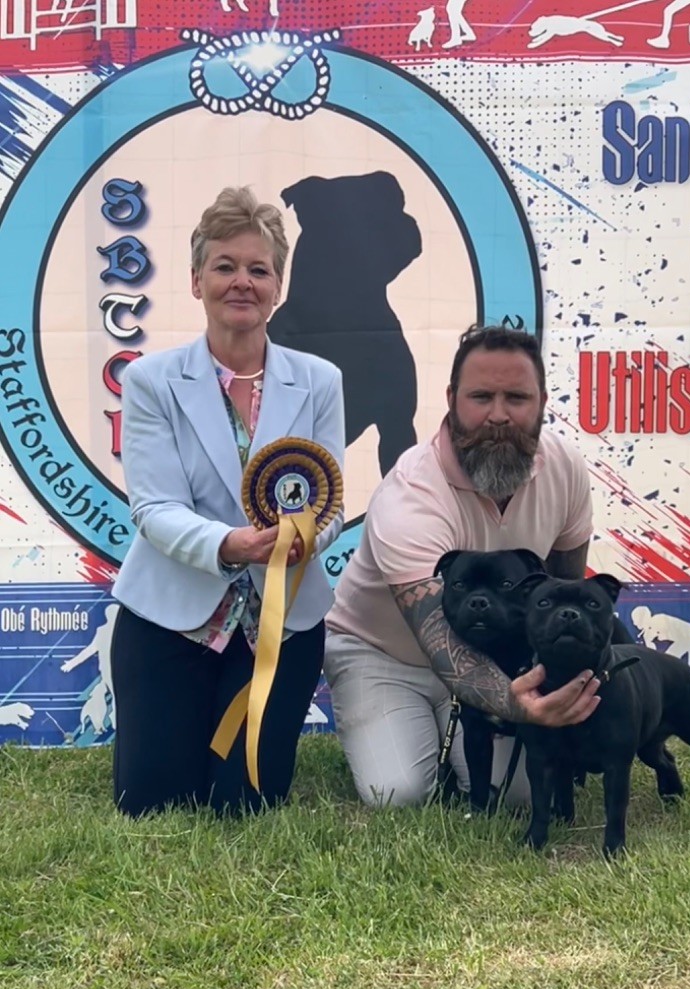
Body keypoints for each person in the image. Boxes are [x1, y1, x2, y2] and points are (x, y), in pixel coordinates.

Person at [110, 186, 345, 817]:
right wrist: (231, 545)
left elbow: (331, 503)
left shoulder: (321, 381)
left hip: (280, 624)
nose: (242, 281)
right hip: (169, 619)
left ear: (279, 287)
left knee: (246, 803)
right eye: (225, 266)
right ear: (196, 281)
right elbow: (153, 508)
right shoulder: (149, 381)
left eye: (258, 269)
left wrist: (298, 541)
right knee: (153, 802)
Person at [324, 324, 600, 807]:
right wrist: (524, 705)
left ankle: (454, 744)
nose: (498, 415)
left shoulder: (566, 467)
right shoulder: (411, 491)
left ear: (542, 400)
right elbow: (441, 641)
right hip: (384, 655)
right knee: (398, 794)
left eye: (516, 397)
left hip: (497, 655)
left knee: (519, 798)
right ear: (452, 399)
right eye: (481, 397)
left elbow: (566, 589)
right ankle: (413, 728)